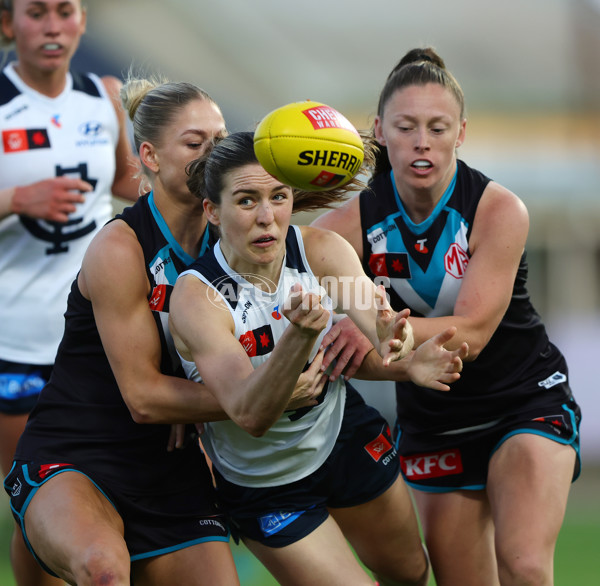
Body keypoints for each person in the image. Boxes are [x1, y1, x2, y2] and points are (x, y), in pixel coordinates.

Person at [312, 47, 582, 586]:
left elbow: (474, 333)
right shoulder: (343, 227)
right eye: (406, 126)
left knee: (526, 566)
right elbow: (331, 345)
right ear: (379, 131)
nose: (421, 141)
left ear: (461, 133)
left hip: (523, 400)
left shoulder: (498, 210)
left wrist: (370, 326)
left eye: (437, 127)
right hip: (436, 421)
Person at [169, 130, 469, 586]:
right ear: (212, 211)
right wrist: (298, 338)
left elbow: (379, 321)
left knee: (410, 573)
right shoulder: (199, 297)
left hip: (343, 437)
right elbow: (249, 412)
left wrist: (402, 348)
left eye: (278, 197)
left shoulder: (321, 252)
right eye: (247, 201)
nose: (267, 217)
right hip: (264, 483)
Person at [2, 75, 250, 585]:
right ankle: (40, 526)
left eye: (220, 141)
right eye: (194, 142)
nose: (212, 154)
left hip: (168, 471)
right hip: (76, 457)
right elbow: (144, 398)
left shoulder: (234, 244)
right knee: (104, 571)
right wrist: (266, 396)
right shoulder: (119, 247)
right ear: (150, 157)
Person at [0, 2, 141, 583]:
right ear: (9, 24)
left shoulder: (103, 96)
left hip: (86, 334)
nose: (53, 26)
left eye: (66, 10)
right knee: (33, 501)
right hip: (13, 336)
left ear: (83, 20)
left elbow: (129, 186)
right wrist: (16, 200)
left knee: (91, 488)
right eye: (37, 12)